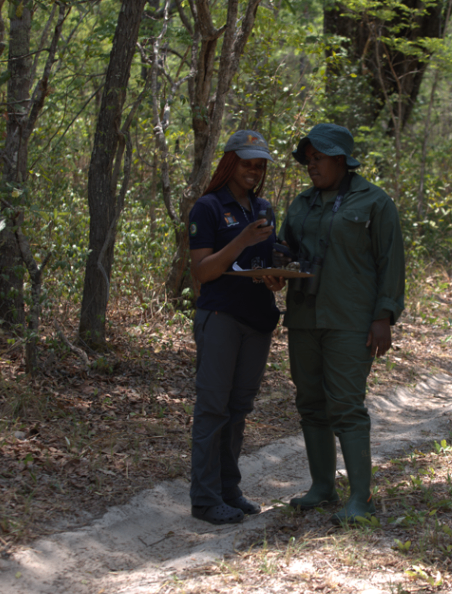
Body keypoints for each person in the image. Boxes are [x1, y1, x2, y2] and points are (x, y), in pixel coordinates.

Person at [280, 123, 405, 525]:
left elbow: (391, 262)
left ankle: (361, 499)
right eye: (308, 159)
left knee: (346, 406)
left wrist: (383, 316)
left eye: (319, 158)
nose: (311, 166)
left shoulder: (375, 202)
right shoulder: (301, 203)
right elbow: (287, 251)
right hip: (303, 318)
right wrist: (274, 267)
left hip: (350, 319)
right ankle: (322, 487)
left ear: (341, 159)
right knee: (310, 402)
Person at [187, 130, 285, 525]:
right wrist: (242, 240)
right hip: (221, 317)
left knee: (238, 409)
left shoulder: (264, 208)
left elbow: (263, 263)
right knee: (213, 409)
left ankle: (229, 490)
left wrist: (276, 278)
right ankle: (205, 499)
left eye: (260, 165)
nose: (254, 171)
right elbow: (203, 271)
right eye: (248, 163)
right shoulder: (208, 208)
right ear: (230, 163)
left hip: (257, 320)